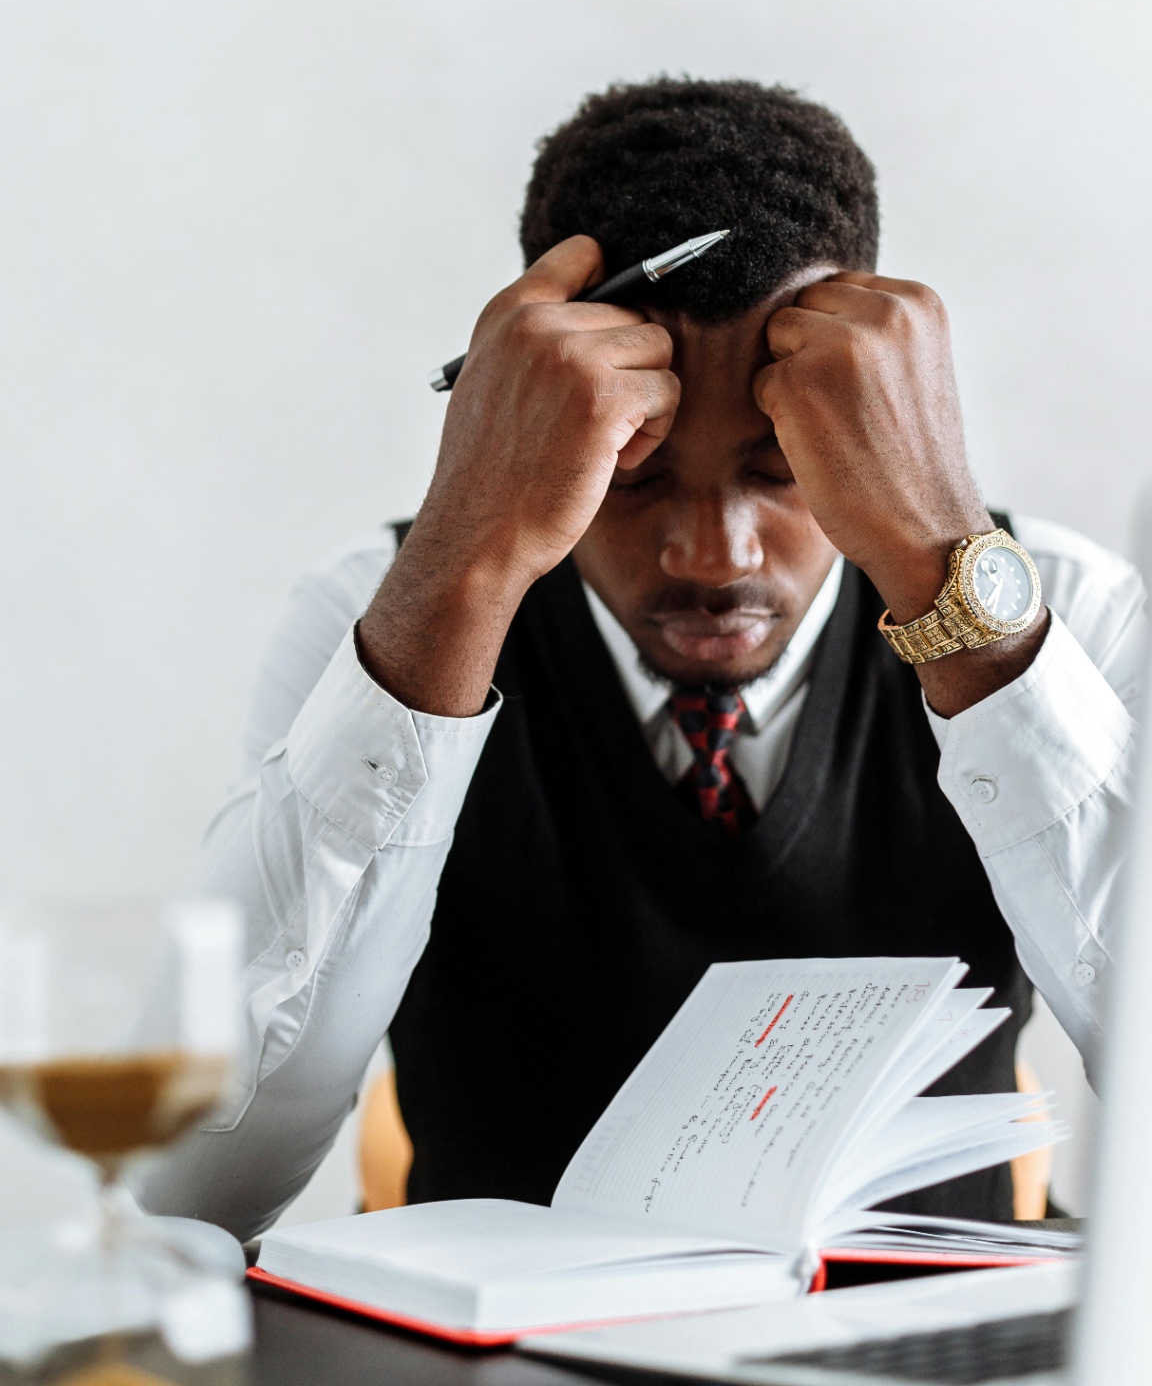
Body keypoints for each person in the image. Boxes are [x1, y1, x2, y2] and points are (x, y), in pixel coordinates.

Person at [142, 78, 1144, 1241]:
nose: (712, 553)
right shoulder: (377, 621)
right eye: (633, 472)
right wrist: (461, 562)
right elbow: (192, 1189)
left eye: (783, 470)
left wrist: (948, 574)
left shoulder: (1060, 611)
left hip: (938, 1349)